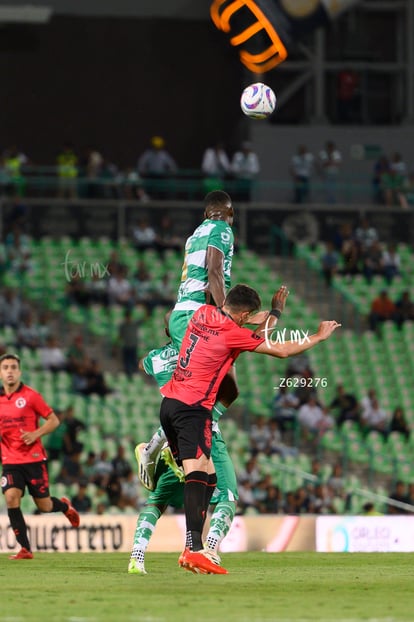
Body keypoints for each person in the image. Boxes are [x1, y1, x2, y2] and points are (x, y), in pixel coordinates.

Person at [159, 284, 340, 574]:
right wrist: (318, 335)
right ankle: (193, 550)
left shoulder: (203, 313)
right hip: (193, 409)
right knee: (197, 472)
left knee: (209, 476)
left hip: (169, 404)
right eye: (248, 317)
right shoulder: (233, 334)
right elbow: (280, 349)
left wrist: (269, 313)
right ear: (243, 315)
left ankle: (191, 547)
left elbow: (184, 318)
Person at [0, 353, 80, 559]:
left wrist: (35, 434)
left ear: (19, 372)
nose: (9, 371)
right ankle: (25, 549)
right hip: (10, 461)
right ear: (1, 373)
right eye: (5, 367)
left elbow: (54, 421)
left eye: (13, 367)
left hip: (33, 459)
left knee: (44, 506)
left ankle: (64, 506)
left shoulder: (31, 396)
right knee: (11, 497)